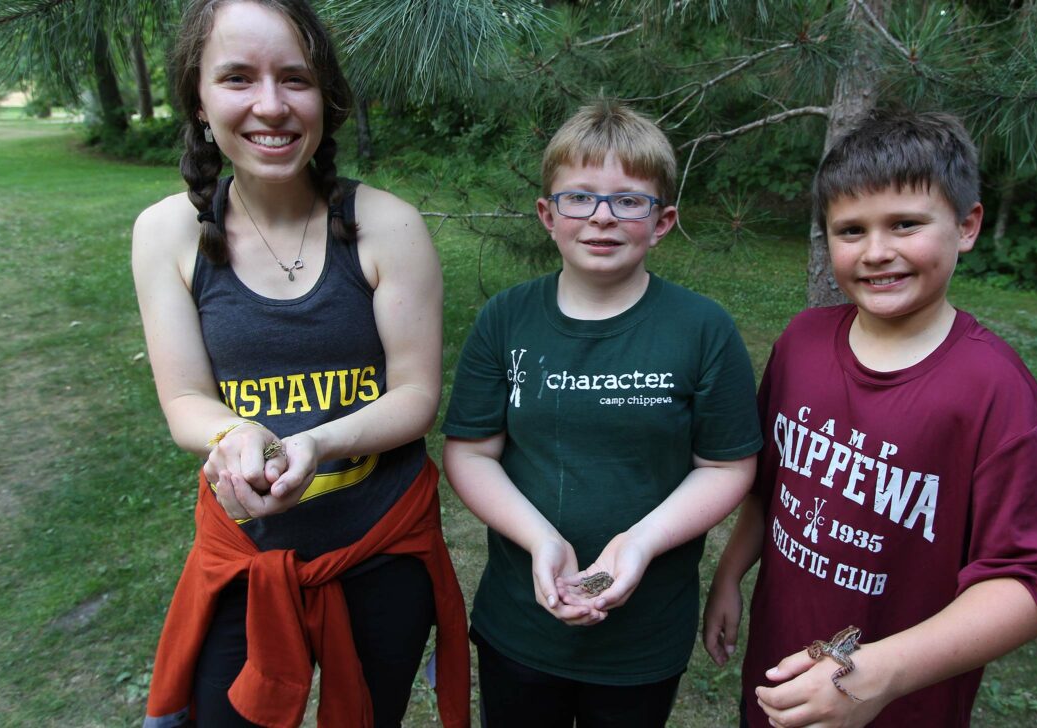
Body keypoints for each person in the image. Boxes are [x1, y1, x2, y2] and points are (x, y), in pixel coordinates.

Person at [132, 1, 468, 726]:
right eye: (237, 78)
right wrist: (233, 435)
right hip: (244, 554)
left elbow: (415, 393)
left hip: (383, 547)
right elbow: (185, 398)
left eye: (295, 78)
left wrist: (319, 441)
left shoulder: (388, 225)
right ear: (198, 94)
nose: (271, 106)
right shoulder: (166, 234)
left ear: (328, 96)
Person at [702, 109, 1037, 728]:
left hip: (901, 703)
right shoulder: (801, 344)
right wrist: (728, 577)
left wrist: (881, 673)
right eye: (850, 230)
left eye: (905, 224)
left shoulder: (996, 393)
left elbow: (1034, 579)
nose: (877, 252)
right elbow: (770, 488)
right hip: (779, 678)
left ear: (967, 225)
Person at [441, 99, 763, 728]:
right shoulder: (506, 319)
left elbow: (726, 467)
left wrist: (638, 543)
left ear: (662, 220)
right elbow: (470, 453)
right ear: (547, 214)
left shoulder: (704, 330)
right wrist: (540, 540)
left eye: (629, 201)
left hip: (643, 635)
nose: (602, 218)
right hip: (519, 620)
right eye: (579, 198)